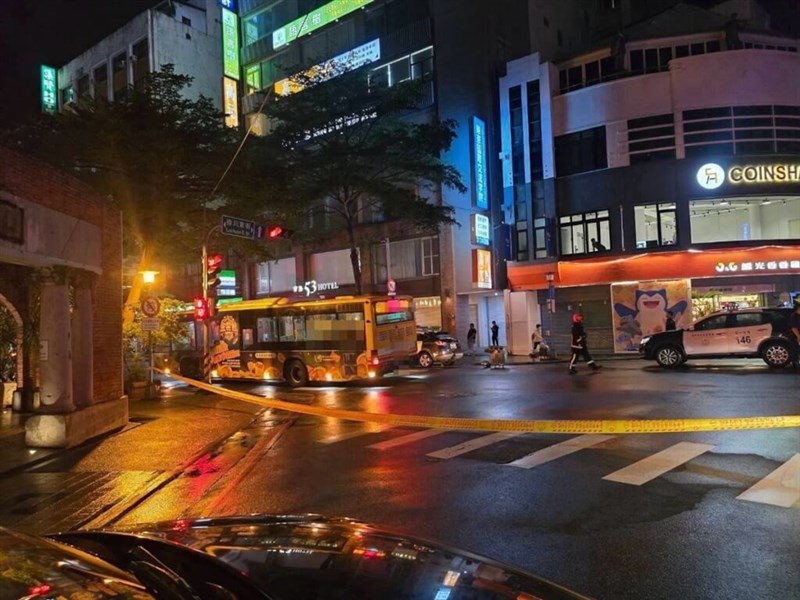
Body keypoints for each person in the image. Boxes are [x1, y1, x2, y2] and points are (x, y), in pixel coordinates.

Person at [790, 302, 800, 368]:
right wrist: (798, 336)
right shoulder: (794, 316)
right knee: (796, 349)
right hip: (796, 335)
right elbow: (794, 327)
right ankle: (795, 362)